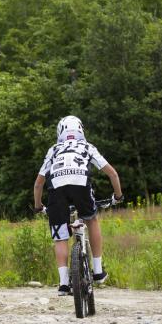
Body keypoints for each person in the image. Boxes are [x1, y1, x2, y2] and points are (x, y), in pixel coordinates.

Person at [33, 115, 123, 296]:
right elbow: (112, 174)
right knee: (91, 219)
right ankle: (98, 271)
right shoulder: (87, 146)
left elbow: (38, 184)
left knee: (60, 237)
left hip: (56, 188)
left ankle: (63, 284)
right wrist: (118, 196)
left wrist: (38, 206)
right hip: (80, 183)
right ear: (81, 130)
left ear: (60, 132)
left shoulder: (54, 149)